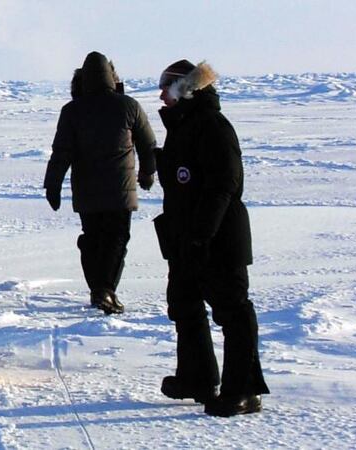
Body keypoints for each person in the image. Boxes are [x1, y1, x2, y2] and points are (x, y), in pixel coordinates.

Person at [153, 59, 269, 417]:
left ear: (185, 88)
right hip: (187, 237)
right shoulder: (185, 127)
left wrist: (202, 234)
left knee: (232, 312)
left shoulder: (213, 127)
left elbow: (223, 184)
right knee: (184, 305)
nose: (160, 94)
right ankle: (197, 378)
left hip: (219, 239)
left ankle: (244, 390)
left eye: (166, 86)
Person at [44, 51, 156, 314]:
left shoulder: (72, 111)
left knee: (93, 239)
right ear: (112, 77)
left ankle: (100, 290)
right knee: (116, 239)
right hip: (120, 191)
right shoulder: (129, 106)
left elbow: (62, 152)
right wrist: (147, 173)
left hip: (88, 192)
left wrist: (53, 184)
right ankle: (105, 291)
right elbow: (148, 145)